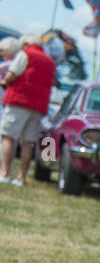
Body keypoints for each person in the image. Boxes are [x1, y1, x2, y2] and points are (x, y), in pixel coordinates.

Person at [0, 35, 57, 187]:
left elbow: (11, 75)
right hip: (38, 107)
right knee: (27, 142)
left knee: (8, 137)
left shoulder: (25, 54)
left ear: (26, 43)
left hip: (19, 101)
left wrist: (4, 82)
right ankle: (21, 178)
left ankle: (4, 173)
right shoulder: (50, 61)